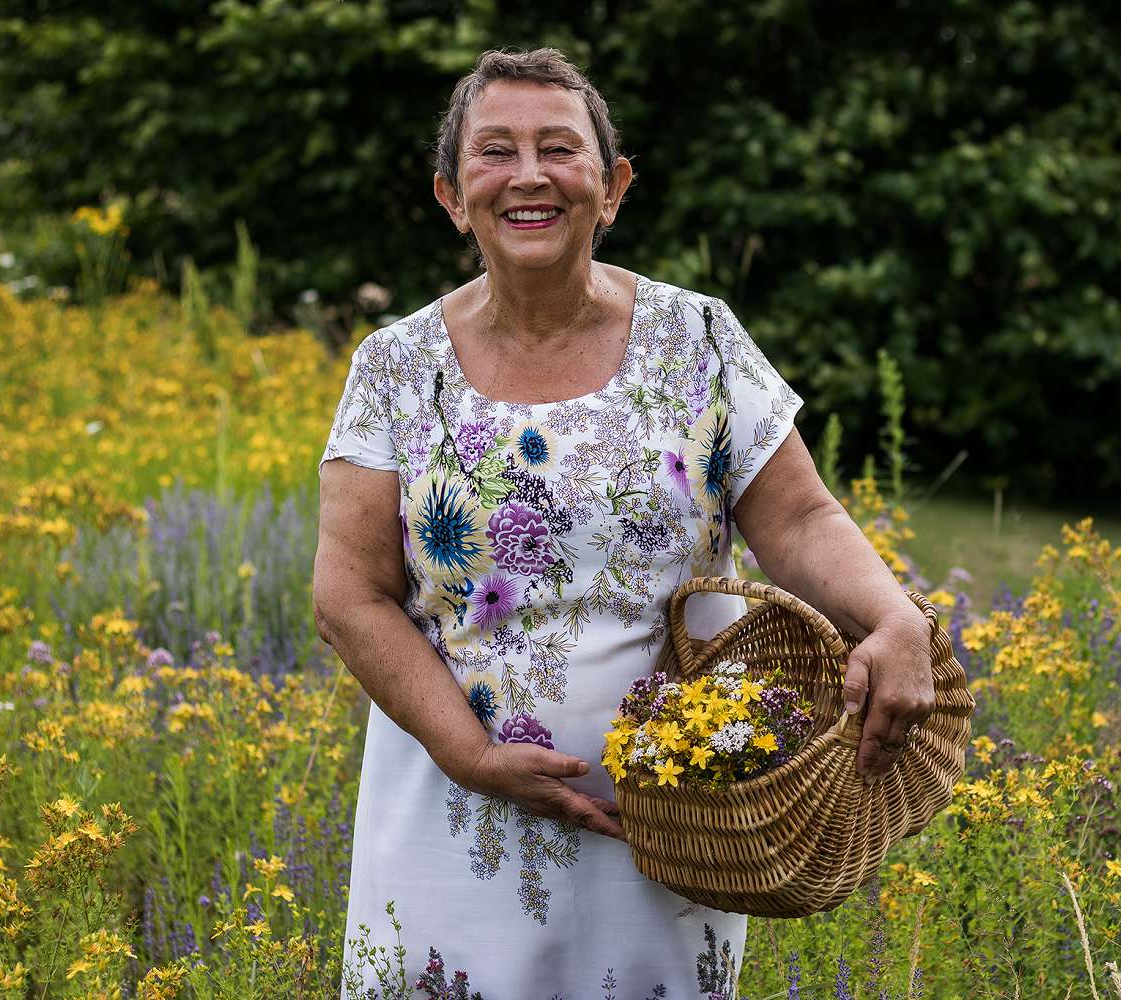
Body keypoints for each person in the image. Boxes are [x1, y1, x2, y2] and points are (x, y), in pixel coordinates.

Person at [313, 46, 935, 999]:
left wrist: (895, 619)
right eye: (496, 152)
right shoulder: (396, 369)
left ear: (612, 186)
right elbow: (350, 595)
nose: (529, 175)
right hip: (451, 818)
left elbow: (801, 516)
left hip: (672, 822)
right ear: (450, 192)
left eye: (561, 149)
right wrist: (472, 755)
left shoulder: (702, 340)